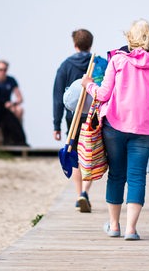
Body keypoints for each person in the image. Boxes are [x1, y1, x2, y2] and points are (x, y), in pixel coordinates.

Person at [81, 19, 149, 240]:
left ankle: (114, 226)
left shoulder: (117, 60)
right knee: (137, 176)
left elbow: (103, 94)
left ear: (129, 37)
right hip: (146, 128)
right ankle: (131, 229)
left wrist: (88, 83)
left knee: (116, 175)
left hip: (115, 125)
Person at [53, 28, 95, 213]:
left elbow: (57, 97)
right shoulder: (99, 63)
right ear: (90, 44)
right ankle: (86, 191)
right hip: (94, 115)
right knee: (93, 152)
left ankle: (79, 194)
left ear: (74, 44)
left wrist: (56, 124)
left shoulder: (65, 66)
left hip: (73, 117)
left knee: (75, 153)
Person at [0, 60, 28, 146]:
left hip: (8, 106)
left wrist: (12, 104)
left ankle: (16, 136)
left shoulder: (11, 80)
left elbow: (20, 98)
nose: (2, 72)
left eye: (4, 70)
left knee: (19, 110)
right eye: (0, 70)